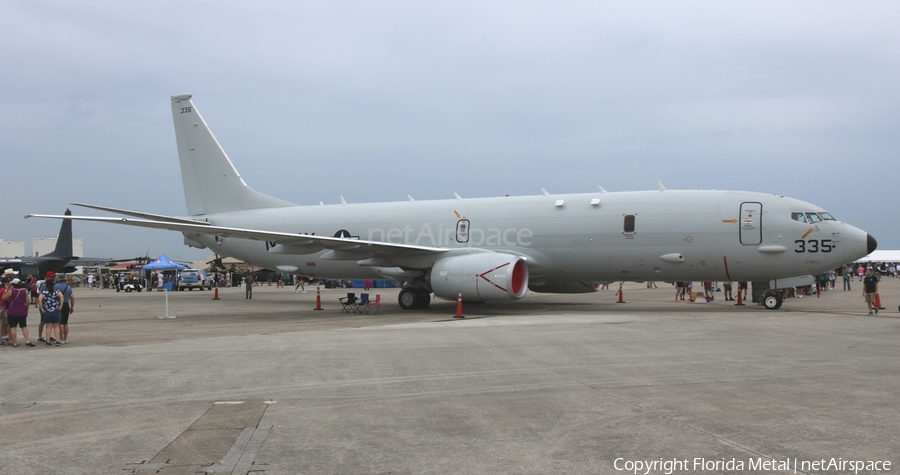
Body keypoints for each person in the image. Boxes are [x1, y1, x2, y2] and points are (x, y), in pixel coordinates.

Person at [2, 278, 35, 347]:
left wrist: (6, 290)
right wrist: (26, 310)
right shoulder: (24, 291)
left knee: (13, 327)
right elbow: (27, 302)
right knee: (24, 326)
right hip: (22, 311)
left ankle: (14, 343)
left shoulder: (11, 291)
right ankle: (27, 340)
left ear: (13, 285)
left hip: (12, 311)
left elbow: (3, 298)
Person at [37, 271, 63, 346]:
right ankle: (57, 340)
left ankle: (47, 341)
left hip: (47, 310)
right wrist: (60, 305)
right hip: (55, 310)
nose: (53, 278)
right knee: (56, 326)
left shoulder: (44, 291)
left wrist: (41, 307)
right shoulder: (55, 290)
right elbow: (61, 296)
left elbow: (39, 299)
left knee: (48, 326)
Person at [55, 274, 74, 344]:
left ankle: (61, 338)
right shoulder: (68, 287)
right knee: (65, 323)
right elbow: (72, 297)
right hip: (66, 304)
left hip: (59, 305)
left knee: (60, 323)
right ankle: (65, 338)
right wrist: (72, 306)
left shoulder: (56, 286)